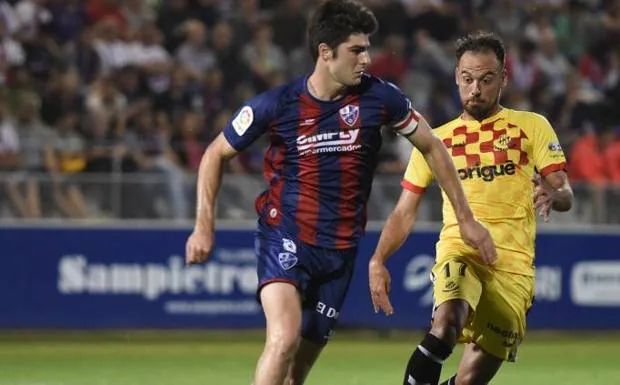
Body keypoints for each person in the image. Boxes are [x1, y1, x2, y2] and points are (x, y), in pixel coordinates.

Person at [185, 1, 495, 384]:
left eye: (367, 48)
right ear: (325, 53)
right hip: (285, 237)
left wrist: (466, 219)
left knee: (296, 373)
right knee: (282, 339)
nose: (367, 58)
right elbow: (215, 153)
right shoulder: (278, 104)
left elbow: (433, 147)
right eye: (357, 50)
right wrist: (203, 227)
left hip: (340, 252)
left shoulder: (382, 98)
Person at [368, 31, 574, 385]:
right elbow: (404, 211)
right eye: (467, 79)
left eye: (486, 79)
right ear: (456, 78)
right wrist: (377, 259)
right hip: (460, 250)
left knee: (468, 381)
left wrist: (555, 194)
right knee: (447, 321)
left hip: (513, 270)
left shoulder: (531, 126)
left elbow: (564, 190)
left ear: (504, 79)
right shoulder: (435, 141)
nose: (475, 88)